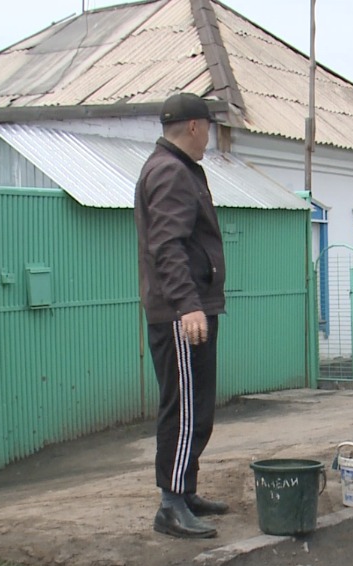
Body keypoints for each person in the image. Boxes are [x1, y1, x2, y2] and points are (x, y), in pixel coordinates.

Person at [135, 92, 230, 539]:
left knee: (199, 407)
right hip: (181, 313)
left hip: (190, 307)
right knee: (185, 409)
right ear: (195, 126)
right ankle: (171, 505)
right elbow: (167, 246)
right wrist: (188, 304)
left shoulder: (179, 169)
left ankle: (185, 490)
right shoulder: (171, 172)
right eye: (208, 127)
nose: (209, 135)